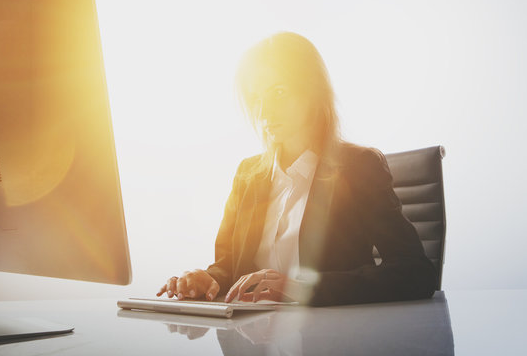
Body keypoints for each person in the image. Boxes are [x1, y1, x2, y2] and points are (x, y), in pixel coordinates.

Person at [156, 32, 437, 306]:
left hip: (332, 337)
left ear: (313, 92)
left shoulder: (358, 168)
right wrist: (207, 278)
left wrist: (301, 289)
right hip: (251, 339)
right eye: (256, 98)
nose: (264, 112)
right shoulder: (247, 174)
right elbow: (229, 266)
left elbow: (415, 272)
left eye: (279, 92)